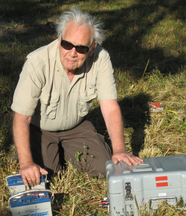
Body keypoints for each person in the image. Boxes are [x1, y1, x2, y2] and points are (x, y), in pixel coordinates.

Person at [11, 7, 143, 187]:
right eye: (67, 44)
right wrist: (26, 162)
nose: (72, 53)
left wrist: (119, 149)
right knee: (46, 174)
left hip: (77, 126)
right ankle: (27, 150)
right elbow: (21, 117)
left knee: (106, 167)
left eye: (81, 48)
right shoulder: (37, 62)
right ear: (59, 40)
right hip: (40, 128)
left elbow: (110, 106)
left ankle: (68, 149)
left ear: (92, 48)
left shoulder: (101, 58)